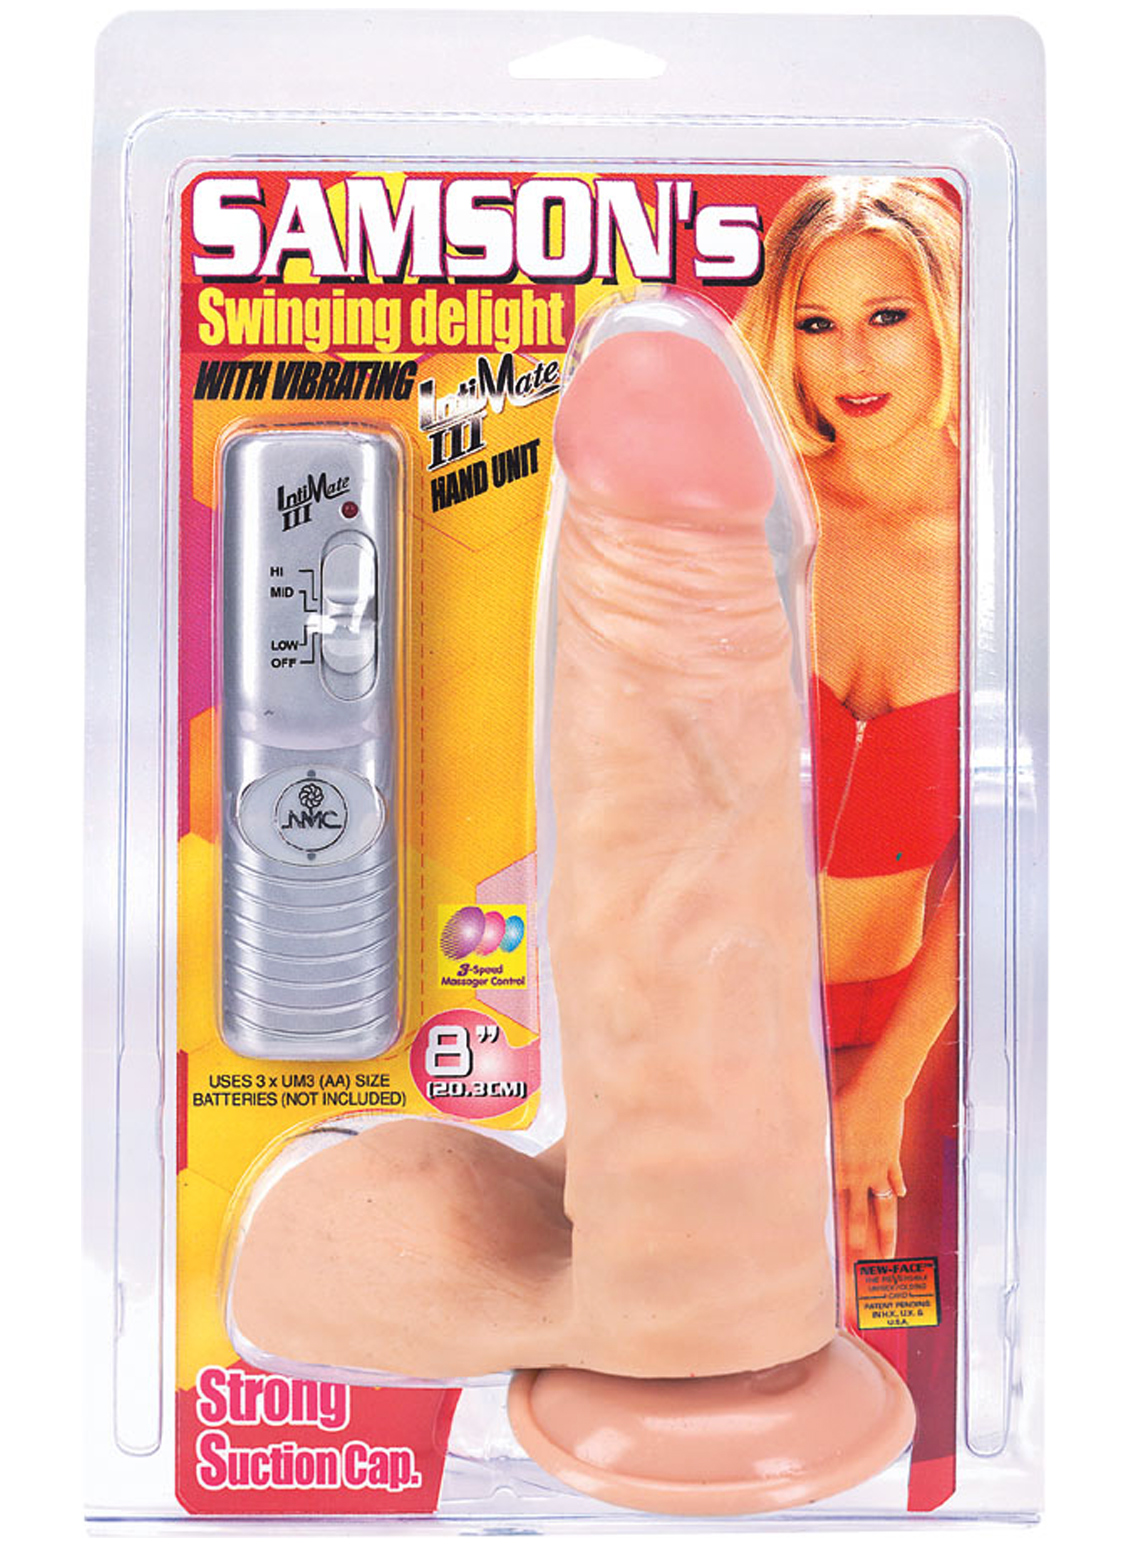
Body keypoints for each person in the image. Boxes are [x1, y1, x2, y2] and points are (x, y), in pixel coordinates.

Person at [739, 177, 962, 1313]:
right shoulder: (755, 522)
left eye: (887, 315)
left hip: (909, 1029)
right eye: (818, 323)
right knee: (690, 1324)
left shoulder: (1011, 539)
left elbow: (1011, 860)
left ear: (945, 316)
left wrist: (882, 1089)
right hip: (722, 1015)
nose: (853, 359)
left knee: (891, 1338)